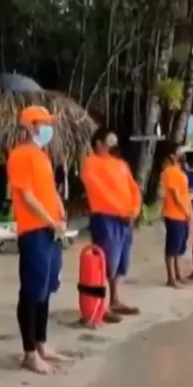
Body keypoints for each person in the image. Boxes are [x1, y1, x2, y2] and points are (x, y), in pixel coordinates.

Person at [6, 105, 67, 374]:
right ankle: (29, 352)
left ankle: (41, 343)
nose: (47, 128)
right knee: (31, 291)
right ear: (30, 126)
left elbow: (48, 191)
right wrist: (50, 220)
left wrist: (60, 210)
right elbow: (27, 197)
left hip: (51, 230)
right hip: (34, 230)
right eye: (43, 123)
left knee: (45, 288)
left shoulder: (41, 156)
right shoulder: (20, 155)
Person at [81, 127, 141, 323]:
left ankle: (114, 300)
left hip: (125, 219)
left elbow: (133, 188)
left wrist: (134, 210)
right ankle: (101, 304)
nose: (112, 145)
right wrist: (122, 211)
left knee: (121, 261)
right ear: (98, 143)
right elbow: (98, 192)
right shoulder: (91, 163)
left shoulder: (121, 164)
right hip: (106, 217)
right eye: (108, 141)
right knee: (106, 262)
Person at [159, 141, 192, 288]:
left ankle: (179, 274)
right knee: (172, 247)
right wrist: (186, 211)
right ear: (173, 156)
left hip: (182, 214)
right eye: (180, 152)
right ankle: (171, 278)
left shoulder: (179, 171)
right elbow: (176, 195)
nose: (183, 154)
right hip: (174, 214)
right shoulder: (170, 172)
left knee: (180, 247)